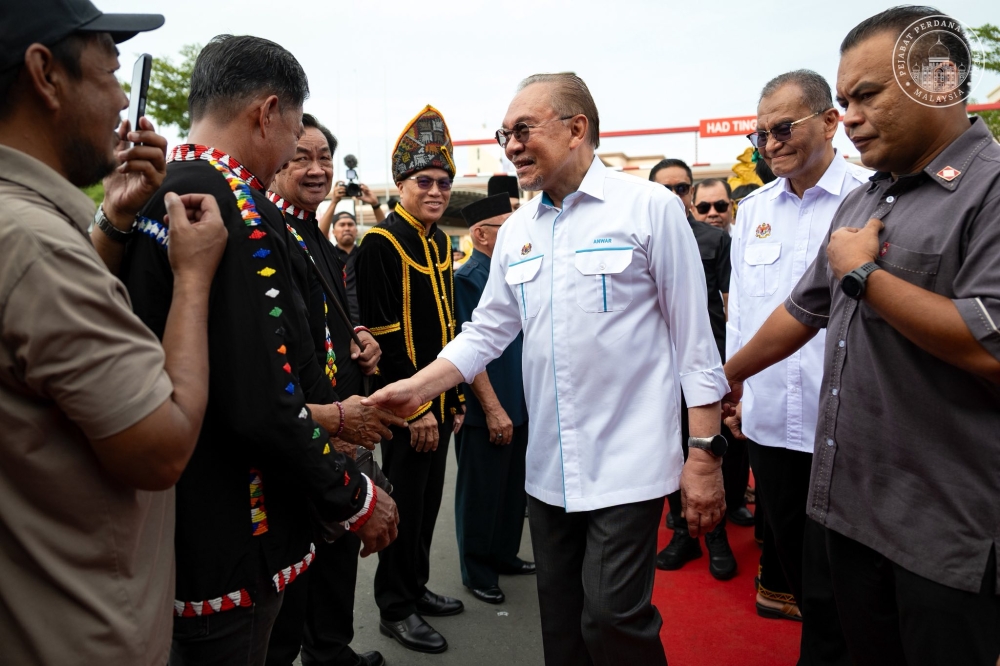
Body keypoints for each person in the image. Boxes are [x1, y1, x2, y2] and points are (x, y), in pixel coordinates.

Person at [364, 73, 729, 666]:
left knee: (613, 617)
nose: (510, 145)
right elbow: (485, 332)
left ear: (577, 127)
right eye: (506, 133)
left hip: (628, 463)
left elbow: (695, 343)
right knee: (560, 629)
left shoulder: (651, 209)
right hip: (549, 469)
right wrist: (416, 387)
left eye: (523, 130)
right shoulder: (518, 235)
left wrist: (705, 455)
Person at [724, 7, 1000, 664]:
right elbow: (801, 311)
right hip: (845, 509)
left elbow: (990, 346)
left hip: (941, 531)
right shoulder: (867, 198)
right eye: (845, 99)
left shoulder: (990, 191)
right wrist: (722, 379)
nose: (850, 115)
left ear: (940, 78)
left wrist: (865, 273)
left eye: (866, 95)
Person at [120, 35, 398, 666]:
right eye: (295, 129)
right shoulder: (226, 207)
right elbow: (258, 401)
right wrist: (354, 497)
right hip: (231, 537)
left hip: (176, 523)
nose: (291, 151)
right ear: (268, 113)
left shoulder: (166, 189)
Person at [0, 2, 228, 664]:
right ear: (45, 73)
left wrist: (115, 219)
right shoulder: (34, 244)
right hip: (79, 633)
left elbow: (44, 343)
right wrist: (192, 280)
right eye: (110, 71)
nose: (124, 99)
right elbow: (160, 448)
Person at [727, 69, 867, 662]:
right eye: (760, 134)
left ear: (830, 121)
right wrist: (732, 395)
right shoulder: (754, 209)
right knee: (798, 578)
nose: (771, 143)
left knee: (851, 592)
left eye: (783, 127)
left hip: (848, 430)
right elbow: (743, 317)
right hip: (769, 430)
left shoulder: (872, 195)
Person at [264, 113, 397, 666]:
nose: (317, 169)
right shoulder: (267, 231)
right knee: (294, 579)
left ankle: (331, 650)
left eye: (325, 157)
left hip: (340, 424)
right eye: (303, 157)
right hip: (303, 432)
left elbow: (329, 315)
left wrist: (357, 334)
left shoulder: (310, 235)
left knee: (336, 555)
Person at [354, 104, 466, 654]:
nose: (437, 191)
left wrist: (456, 396)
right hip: (405, 409)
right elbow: (384, 336)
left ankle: (416, 589)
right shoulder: (381, 241)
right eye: (425, 181)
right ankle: (394, 609)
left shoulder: (441, 242)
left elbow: (452, 329)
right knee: (401, 509)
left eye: (444, 182)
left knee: (426, 508)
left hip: (441, 405)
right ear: (401, 183)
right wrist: (416, 408)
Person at [648, 158, 745, 582]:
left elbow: (731, 305)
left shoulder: (714, 239)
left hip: (704, 366)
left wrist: (730, 367)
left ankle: (717, 535)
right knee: (671, 450)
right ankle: (685, 535)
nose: (674, 196)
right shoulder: (639, 238)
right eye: (664, 188)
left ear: (690, 192)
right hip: (657, 368)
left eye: (681, 187)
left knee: (710, 451)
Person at [453, 193, 534, 606]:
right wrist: (492, 407)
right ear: (481, 235)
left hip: (519, 401)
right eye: (506, 225)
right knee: (481, 494)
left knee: (511, 490)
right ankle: (477, 570)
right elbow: (472, 349)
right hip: (488, 406)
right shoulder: (467, 278)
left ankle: (504, 554)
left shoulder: (513, 272)